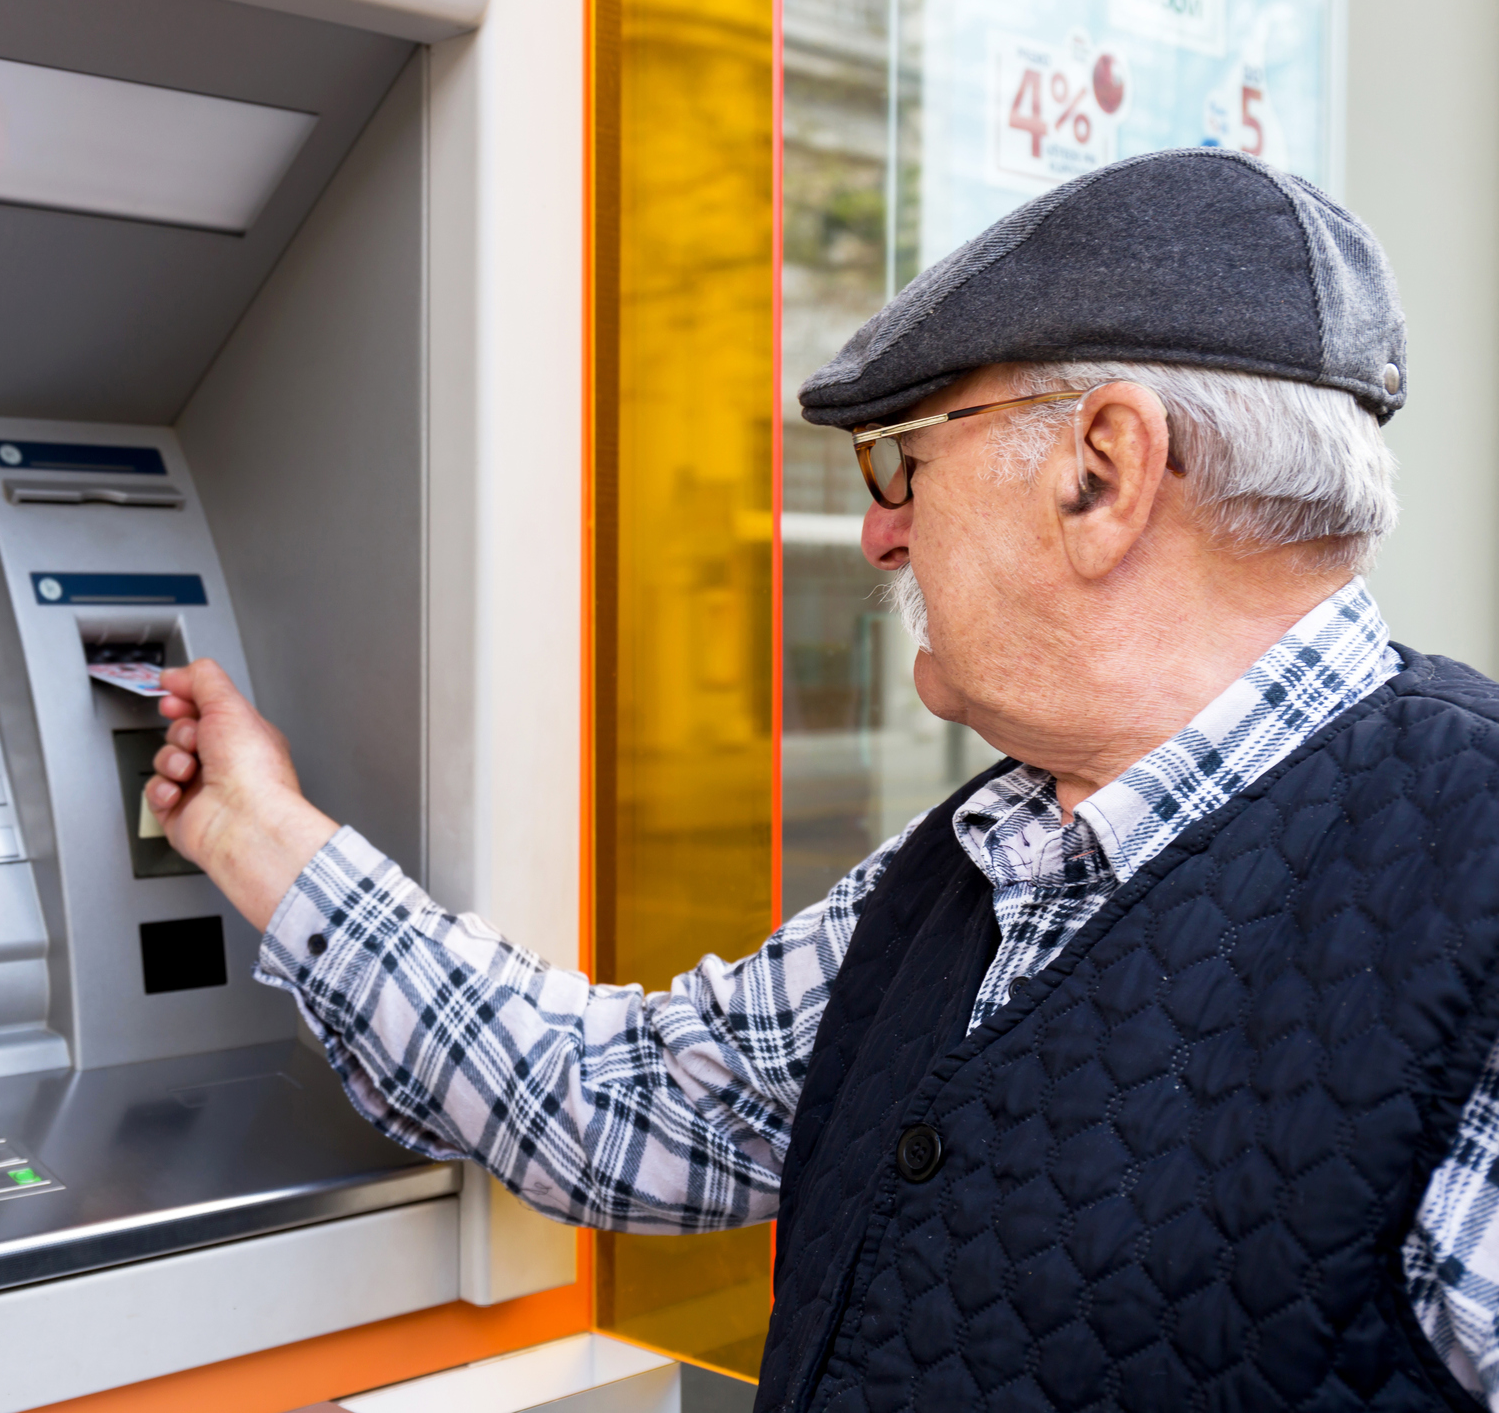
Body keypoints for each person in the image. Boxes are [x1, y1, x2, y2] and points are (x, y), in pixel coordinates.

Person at [142, 147, 1499, 1411]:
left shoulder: (1474, 883)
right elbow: (613, 1100)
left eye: (907, 458)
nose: (878, 530)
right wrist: (256, 828)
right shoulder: (985, 860)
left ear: (1104, 468)